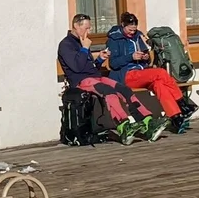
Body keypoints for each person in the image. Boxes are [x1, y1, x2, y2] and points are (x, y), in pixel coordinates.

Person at [56, 13, 142, 141]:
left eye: (89, 28)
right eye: (86, 28)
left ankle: (145, 120)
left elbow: (91, 68)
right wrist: (85, 48)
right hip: (82, 81)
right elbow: (77, 67)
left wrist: (100, 59)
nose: (89, 31)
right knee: (109, 91)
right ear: (76, 26)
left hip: (95, 78)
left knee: (124, 89)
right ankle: (123, 125)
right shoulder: (66, 45)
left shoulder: (82, 42)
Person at [106, 12, 188, 133]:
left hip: (141, 72)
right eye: (129, 30)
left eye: (134, 29)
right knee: (160, 73)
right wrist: (131, 57)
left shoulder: (138, 36)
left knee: (159, 84)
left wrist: (146, 57)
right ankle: (182, 104)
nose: (132, 32)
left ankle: (176, 117)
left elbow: (147, 58)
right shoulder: (114, 39)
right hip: (126, 75)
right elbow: (113, 64)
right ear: (123, 25)